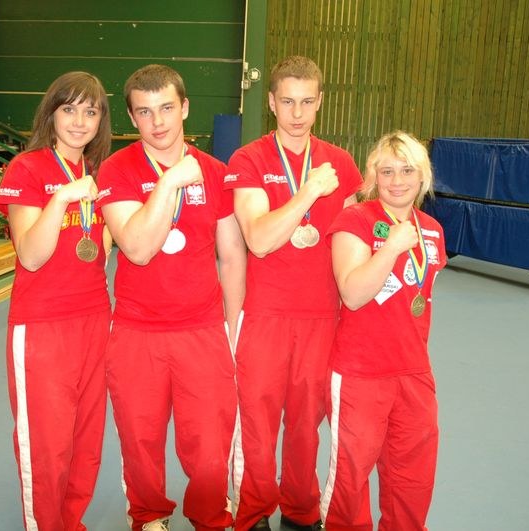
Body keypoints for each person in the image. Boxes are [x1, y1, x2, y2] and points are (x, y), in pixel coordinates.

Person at [96, 64, 246, 531]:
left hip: (202, 331)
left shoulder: (216, 173)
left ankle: (209, 516)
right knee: (140, 440)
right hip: (137, 332)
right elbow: (137, 248)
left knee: (208, 444)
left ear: (184, 107)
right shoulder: (116, 169)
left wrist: (232, 331)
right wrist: (169, 182)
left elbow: (233, 256)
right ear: (131, 118)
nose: (157, 122)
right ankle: (149, 516)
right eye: (144, 112)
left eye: (166, 108)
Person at [224, 55, 363, 531]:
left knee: (307, 424)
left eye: (307, 102)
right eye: (287, 102)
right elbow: (259, 238)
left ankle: (301, 512)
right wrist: (307, 193)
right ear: (271, 102)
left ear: (320, 101)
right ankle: (254, 511)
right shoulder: (250, 159)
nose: (297, 113)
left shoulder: (342, 164)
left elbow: (355, 241)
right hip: (263, 315)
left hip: (323, 317)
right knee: (257, 424)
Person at [0, 71, 112, 531]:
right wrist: (62, 197)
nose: (79, 121)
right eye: (69, 109)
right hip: (42, 326)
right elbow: (30, 253)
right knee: (47, 444)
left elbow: (100, 251)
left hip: (94, 320)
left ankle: (71, 522)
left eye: (91, 111)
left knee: (86, 440)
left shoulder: (101, 176)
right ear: (52, 113)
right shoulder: (27, 168)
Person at [321, 131, 446, 530]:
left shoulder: (432, 229)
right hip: (360, 373)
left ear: (422, 176)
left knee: (413, 476)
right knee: (351, 474)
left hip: (413, 372)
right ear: (373, 175)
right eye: (387, 170)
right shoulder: (354, 219)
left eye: (407, 170)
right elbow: (353, 294)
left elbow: (421, 300)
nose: (397, 180)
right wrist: (390, 247)